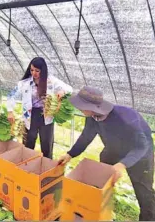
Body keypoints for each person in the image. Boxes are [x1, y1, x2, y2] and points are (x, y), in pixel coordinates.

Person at [58, 86, 155, 221]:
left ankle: (148, 218)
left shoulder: (126, 117)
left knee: (144, 194)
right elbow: (86, 136)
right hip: (113, 150)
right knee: (101, 182)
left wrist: (122, 165)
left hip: (140, 156)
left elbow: (141, 146)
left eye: (81, 105)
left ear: (93, 106)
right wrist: (70, 154)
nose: (78, 108)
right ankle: (97, 211)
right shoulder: (92, 117)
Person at [7, 57, 72, 159]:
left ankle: (46, 167)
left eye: (37, 71)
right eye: (32, 70)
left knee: (46, 145)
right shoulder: (24, 83)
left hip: (46, 115)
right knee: (28, 143)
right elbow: (11, 95)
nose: (34, 73)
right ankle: (26, 164)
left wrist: (62, 91)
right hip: (30, 115)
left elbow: (69, 88)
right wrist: (10, 111)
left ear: (43, 70)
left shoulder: (51, 81)